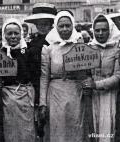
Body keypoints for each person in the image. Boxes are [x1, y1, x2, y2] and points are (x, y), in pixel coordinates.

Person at [39, 10, 95, 142]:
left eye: (68, 25)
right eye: (61, 26)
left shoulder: (80, 46)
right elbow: (44, 76)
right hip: (55, 95)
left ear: (73, 26)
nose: (65, 29)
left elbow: (87, 71)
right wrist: (42, 103)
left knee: (76, 128)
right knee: (58, 129)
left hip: (76, 93)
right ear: (56, 27)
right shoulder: (48, 48)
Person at [0, 18, 35, 142]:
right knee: (8, 131)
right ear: (4, 35)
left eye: (16, 33)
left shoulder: (28, 52)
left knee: (26, 131)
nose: (13, 36)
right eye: (9, 33)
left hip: (25, 99)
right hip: (5, 100)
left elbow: (35, 76)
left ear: (21, 34)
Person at [83, 14, 120, 142]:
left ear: (110, 30)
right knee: (92, 127)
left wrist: (96, 85)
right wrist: (87, 82)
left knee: (108, 127)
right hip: (91, 94)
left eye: (104, 30)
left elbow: (118, 76)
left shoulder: (116, 49)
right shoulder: (88, 48)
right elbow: (85, 72)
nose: (100, 33)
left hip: (109, 94)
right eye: (97, 30)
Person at [24, 3, 57, 139]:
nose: (42, 26)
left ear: (51, 24)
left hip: (55, 86)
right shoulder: (30, 44)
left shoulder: (57, 42)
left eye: (45, 23)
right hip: (36, 87)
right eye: (39, 24)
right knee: (38, 122)